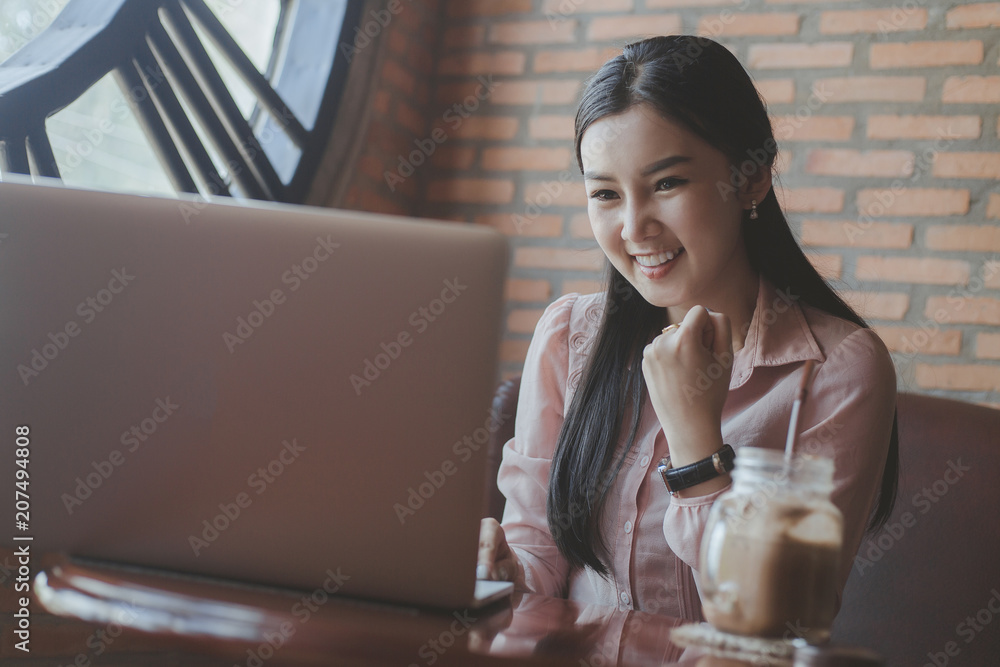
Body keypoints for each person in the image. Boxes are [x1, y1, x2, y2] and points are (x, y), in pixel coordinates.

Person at [477, 35, 899, 621]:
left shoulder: (837, 368)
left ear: (752, 178)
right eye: (605, 193)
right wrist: (503, 570)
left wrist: (696, 446)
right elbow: (538, 557)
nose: (634, 228)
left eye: (667, 184)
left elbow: (779, 619)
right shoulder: (568, 335)